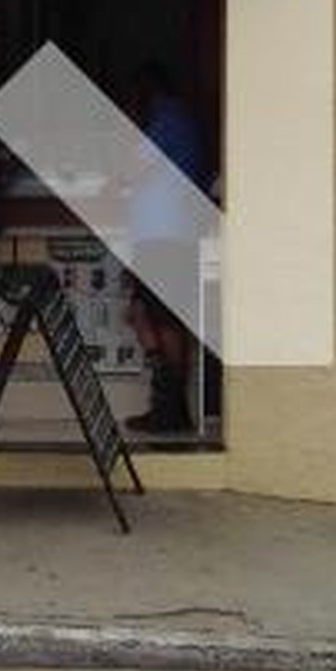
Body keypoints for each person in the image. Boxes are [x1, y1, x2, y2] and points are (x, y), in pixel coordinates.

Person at [122, 58, 209, 434]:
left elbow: (132, 171)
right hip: (163, 233)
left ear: (145, 89)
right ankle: (168, 405)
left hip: (166, 234)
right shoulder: (176, 119)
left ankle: (171, 410)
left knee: (163, 319)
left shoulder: (166, 120)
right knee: (143, 312)